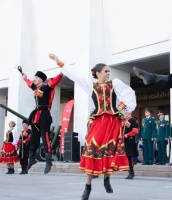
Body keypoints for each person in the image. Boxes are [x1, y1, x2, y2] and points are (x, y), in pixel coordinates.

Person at [48, 54, 136, 200]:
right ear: (98, 73)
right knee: (92, 149)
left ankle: (107, 179)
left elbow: (129, 94)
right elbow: (74, 76)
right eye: (106, 71)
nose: (108, 73)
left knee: (109, 149)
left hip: (112, 121)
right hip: (98, 121)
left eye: (109, 71)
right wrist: (59, 62)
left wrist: (120, 108)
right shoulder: (91, 85)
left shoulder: (115, 83)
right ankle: (87, 186)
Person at [21, 69, 63, 174]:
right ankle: (31, 158)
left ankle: (48, 161)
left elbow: (55, 81)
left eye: (36, 78)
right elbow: (29, 83)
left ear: (41, 79)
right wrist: (24, 77)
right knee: (34, 137)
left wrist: (62, 72)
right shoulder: (36, 88)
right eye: (34, 78)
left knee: (45, 137)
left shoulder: (47, 87)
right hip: (36, 115)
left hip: (44, 113)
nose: (34, 79)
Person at [123, 111, 139, 179]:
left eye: (127, 111)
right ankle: (129, 172)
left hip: (129, 140)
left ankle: (131, 173)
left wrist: (128, 134)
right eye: (125, 110)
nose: (125, 112)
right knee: (126, 157)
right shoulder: (124, 120)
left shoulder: (133, 120)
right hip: (124, 141)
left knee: (129, 157)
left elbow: (135, 130)